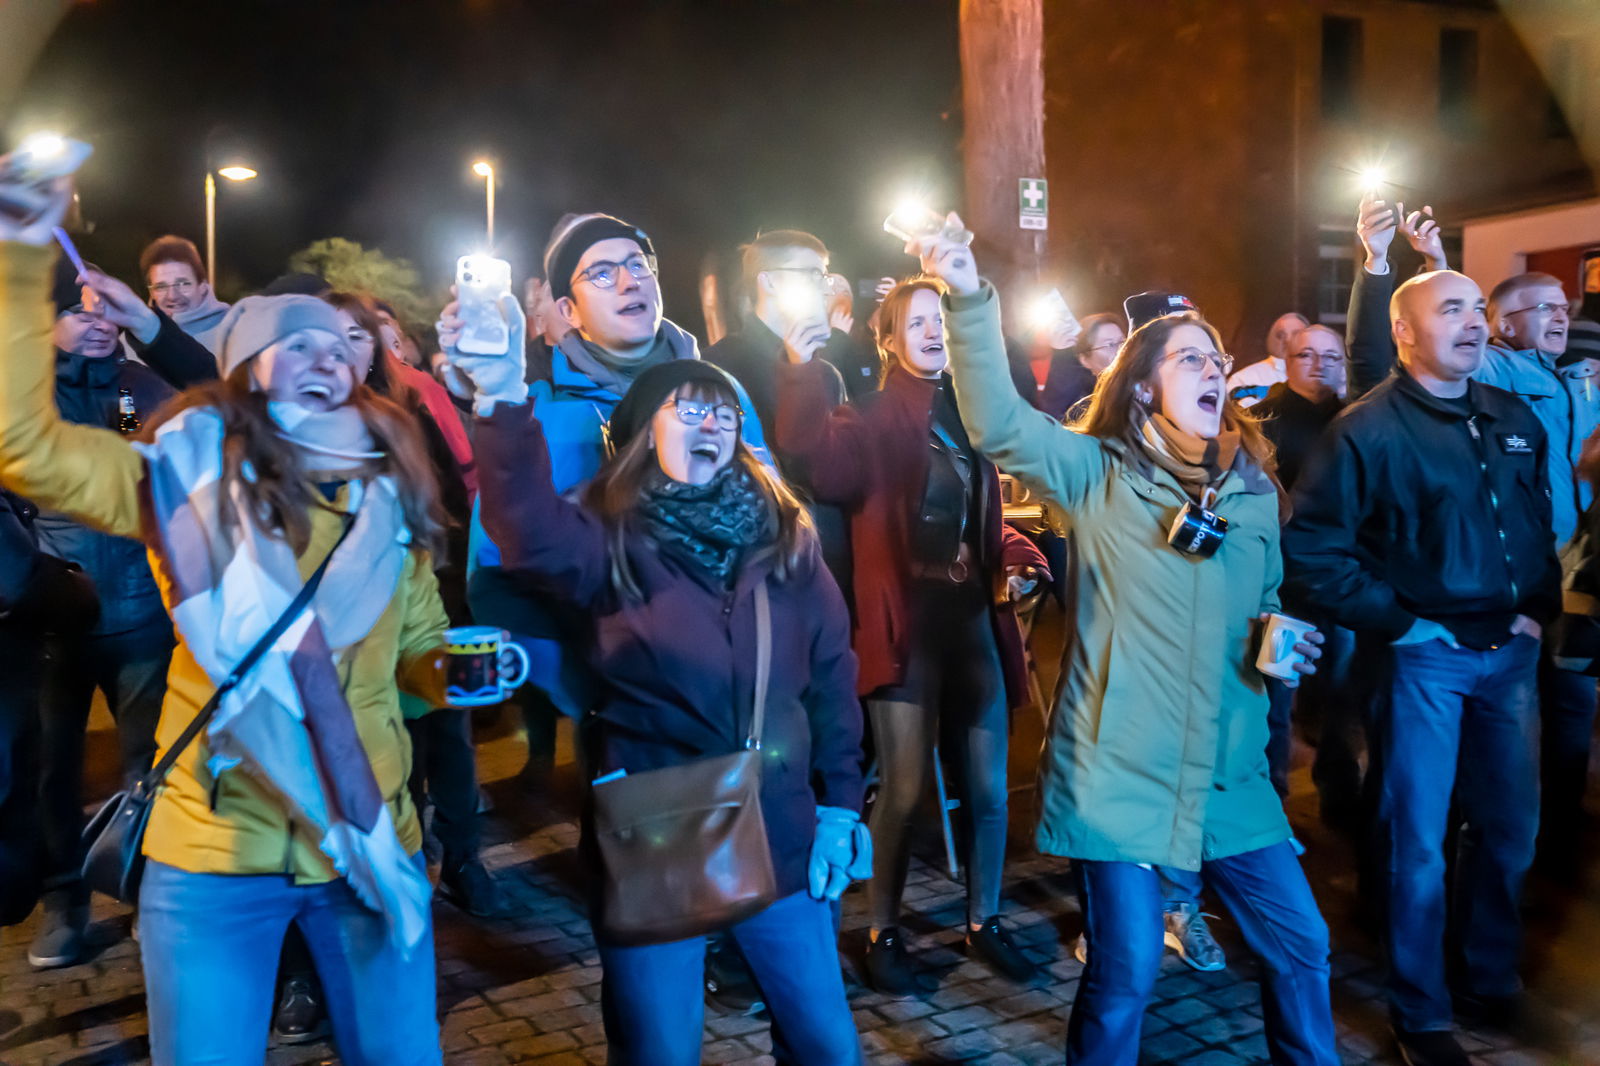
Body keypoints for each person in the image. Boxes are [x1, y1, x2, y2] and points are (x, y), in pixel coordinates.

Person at [0, 175, 455, 1066]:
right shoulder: (177, 478)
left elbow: (418, 654)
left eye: (340, 347)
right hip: (214, 855)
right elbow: (25, 447)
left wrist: (457, 675)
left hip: (371, 854)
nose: (329, 356)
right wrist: (20, 263)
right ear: (245, 371)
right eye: (298, 343)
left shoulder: (388, 502)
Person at [913, 217, 1335, 1064]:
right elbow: (995, 423)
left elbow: (1265, 604)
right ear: (1141, 387)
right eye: (1190, 359)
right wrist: (965, 292)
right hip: (1119, 780)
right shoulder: (1097, 475)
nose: (1213, 370)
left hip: (1231, 779)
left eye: (1218, 360)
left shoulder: (1251, 493)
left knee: (1303, 949)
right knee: (1129, 971)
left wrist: (1281, 643)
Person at [448, 297, 868, 1063]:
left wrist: (841, 805)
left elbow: (833, 677)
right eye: (688, 410)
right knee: (657, 1051)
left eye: (725, 414)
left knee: (826, 1046)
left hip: (779, 822)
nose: (713, 424)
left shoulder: (786, 535)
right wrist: (502, 399)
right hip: (656, 820)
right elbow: (524, 528)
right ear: (645, 432)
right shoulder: (601, 534)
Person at [1284, 268, 1560, 1066]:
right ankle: (1421, 1011)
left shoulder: (1511, 416)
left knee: (1509, 830)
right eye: (1451, 310)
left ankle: (1487, 977)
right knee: (1420, 841)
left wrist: (1535, 608)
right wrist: (1404, 626)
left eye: (1478, 309)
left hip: (1507, 656)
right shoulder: (1366, 431)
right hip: (1424, 661)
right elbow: (1313, 554)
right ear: (1403, 332)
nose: (1473, 322)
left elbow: (1533, 526)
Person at [775, 274, 1049, 994]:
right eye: (916, 321)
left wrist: (1021, 560)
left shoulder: (975, 418)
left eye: (942, 320)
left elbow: (992, 522)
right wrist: (802, 375)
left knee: (990, 789)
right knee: (900, 790)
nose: (933, 331)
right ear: (888, 339)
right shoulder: (864, 419)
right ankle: (880, 930)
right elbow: (812, 458)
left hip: (970, 623)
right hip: (904, 629)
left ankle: (984, 921)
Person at [464, 213, 769, 790]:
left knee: (754, 852)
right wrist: (588, 688)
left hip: (743, 689)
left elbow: (778, 524)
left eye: (638, 266)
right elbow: (495, 571)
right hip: (622, 713)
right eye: (601, 274)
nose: (629, 282)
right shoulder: (541, 415)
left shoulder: (722, 392)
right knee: (641, 855)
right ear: (567, 311)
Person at [1348, 193, 1600, 874]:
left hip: (1544, 591)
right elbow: (1402, 351)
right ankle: (1411, 939)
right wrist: (1406, 263)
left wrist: (1536, 603)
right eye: (1542, 307)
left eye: (1564, 306)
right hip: (1444, 623)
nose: (1561, 315)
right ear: (1503, 324)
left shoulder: (1568, 385)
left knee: (1535, 764)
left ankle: (1536, 873)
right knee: (1424, 804)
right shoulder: (1489, 376)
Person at [27, 257, 216, 969]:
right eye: (79, 312)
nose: (96, 324)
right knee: (56, 771)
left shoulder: (138, 389)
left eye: (105, 310)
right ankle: (63, 903)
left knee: (149, 763)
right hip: (57, 624)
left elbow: (215, 398)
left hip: (142, 616)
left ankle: (147, 892)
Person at [1252, 325, 1362, 826]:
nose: (1319, 364)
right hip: (1281, 590)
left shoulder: (1355, 419)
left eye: (1330, 356)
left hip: (1339, 586)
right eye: (1306, 355)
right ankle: (1270, 803)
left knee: (1340, 697)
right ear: (1286, 361)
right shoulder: (1258, 422)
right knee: (1275, 699)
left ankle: (1339, 796)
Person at [139, 235, 231, 353]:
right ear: (151, 292)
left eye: (183, 284)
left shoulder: (236, 333)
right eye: (161, 287)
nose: (172, 296)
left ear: (202, 286)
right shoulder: (132, 342)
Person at [1225, 311, 1309, 408]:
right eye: (1281, 335)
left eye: (1296, 334)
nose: (1288, 340)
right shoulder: (1245, 378)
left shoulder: (1320, 376)